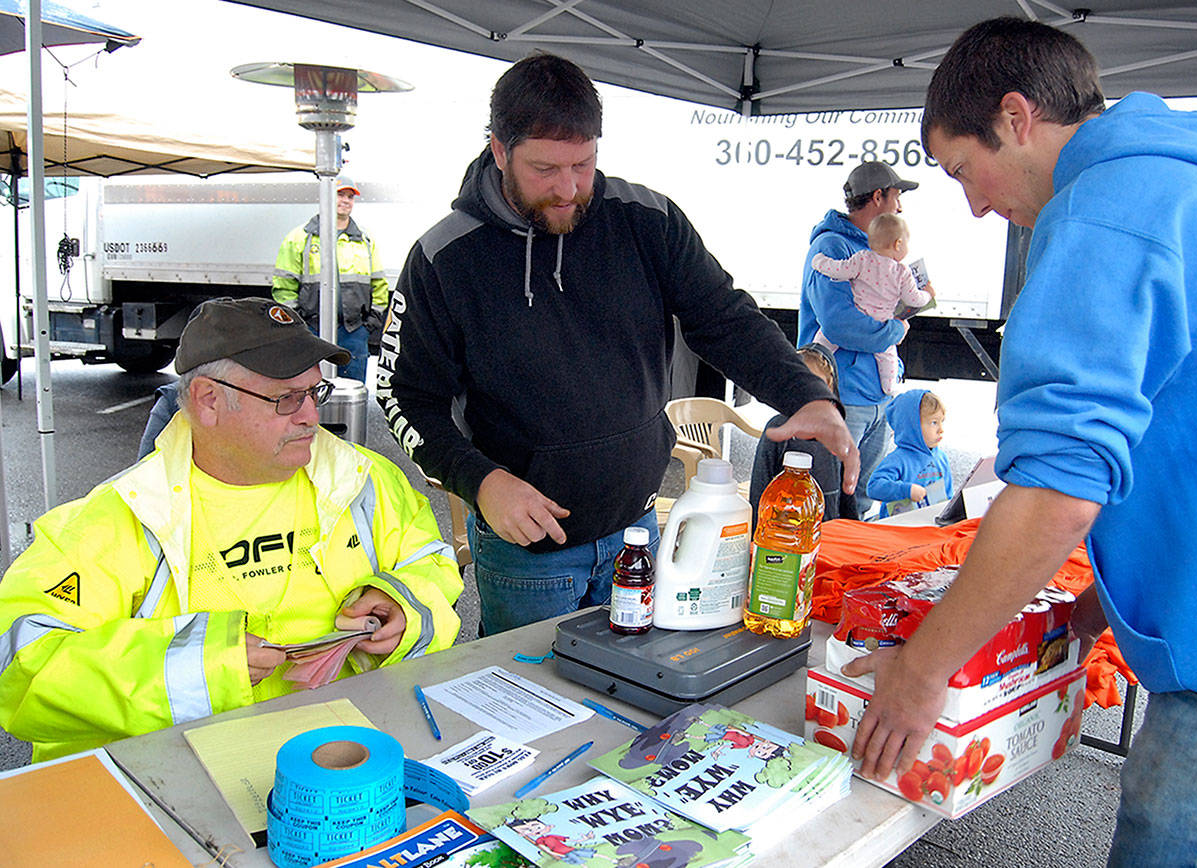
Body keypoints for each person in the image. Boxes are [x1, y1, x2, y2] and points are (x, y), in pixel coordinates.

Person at [846, 17, 1197, 864]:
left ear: (1017, 118)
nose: (977, 205)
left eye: (963, 172)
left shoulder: (1104, 213)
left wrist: (922, 671)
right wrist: (1103, 608)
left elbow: (1059, 489)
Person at [376, 52, 856, 636]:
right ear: (499, 150)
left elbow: (723, 317)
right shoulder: (445, 257)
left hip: (639, 531)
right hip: (528, 554)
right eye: (545, 168)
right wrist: (480, 481)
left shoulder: (644, 218)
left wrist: (803, 393)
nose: (569, 188)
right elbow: (404, 394)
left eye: (583, 163)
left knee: (636, 701)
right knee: (530, 711)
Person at [0, 297, 462, 761]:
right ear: (209, 400)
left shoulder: (368, 480)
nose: (311, 416)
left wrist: (404, 604)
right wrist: (199, 666)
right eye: (286, 399)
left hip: (350, 761)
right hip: (179, 784)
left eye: (314, 392)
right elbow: (22, 671)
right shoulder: (115, 520)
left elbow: (432, 560)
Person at [799, 161, 930, 518]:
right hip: (841, 397)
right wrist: (896, 330)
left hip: (875, 396)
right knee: (825, 500)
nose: (900, 206)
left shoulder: (875, 252)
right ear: (878, 196)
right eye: (897, 196)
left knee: (858, 500)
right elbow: (840, 324)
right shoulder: (833, 247)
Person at [273, 176, 388, 384]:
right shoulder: (300, 237)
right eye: (340, 194)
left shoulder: (365, 240)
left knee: (352, 391)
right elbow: (284, 285)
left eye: (350, 197)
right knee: (309, 389)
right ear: (326, 197)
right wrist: (298, 324)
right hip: (311, 330)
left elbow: (379, 284)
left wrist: (369, 325)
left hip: (353, 332)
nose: (346, 200)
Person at [809, 213, 935, 395]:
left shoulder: (862, 259)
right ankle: (889, 387)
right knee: (888, 357)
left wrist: (819, 262)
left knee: (822, 342)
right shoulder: (902, 272)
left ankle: (810, 369)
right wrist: (928, 294)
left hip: (858, 313)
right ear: (898, 244)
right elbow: (914, 299)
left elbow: (839, 270)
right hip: (880, 322)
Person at [749, 343, 858, 522]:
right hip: (785, 529)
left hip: (828, 527)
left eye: (817, 387)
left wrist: (853, 525)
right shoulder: (778, 428)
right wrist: (755, 531)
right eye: (801, 387)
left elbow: (847, 493)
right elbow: (760, 483)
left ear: (830, 389)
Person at [865, 389, 951, 517]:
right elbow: (873, 487)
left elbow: (948, 495)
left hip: (929, 524)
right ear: (912, 426)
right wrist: (907, 490)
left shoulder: (941, 458)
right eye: (934, 423)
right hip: (896, 527)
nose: (941, 430)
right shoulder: (898, 460)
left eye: (941, 421)